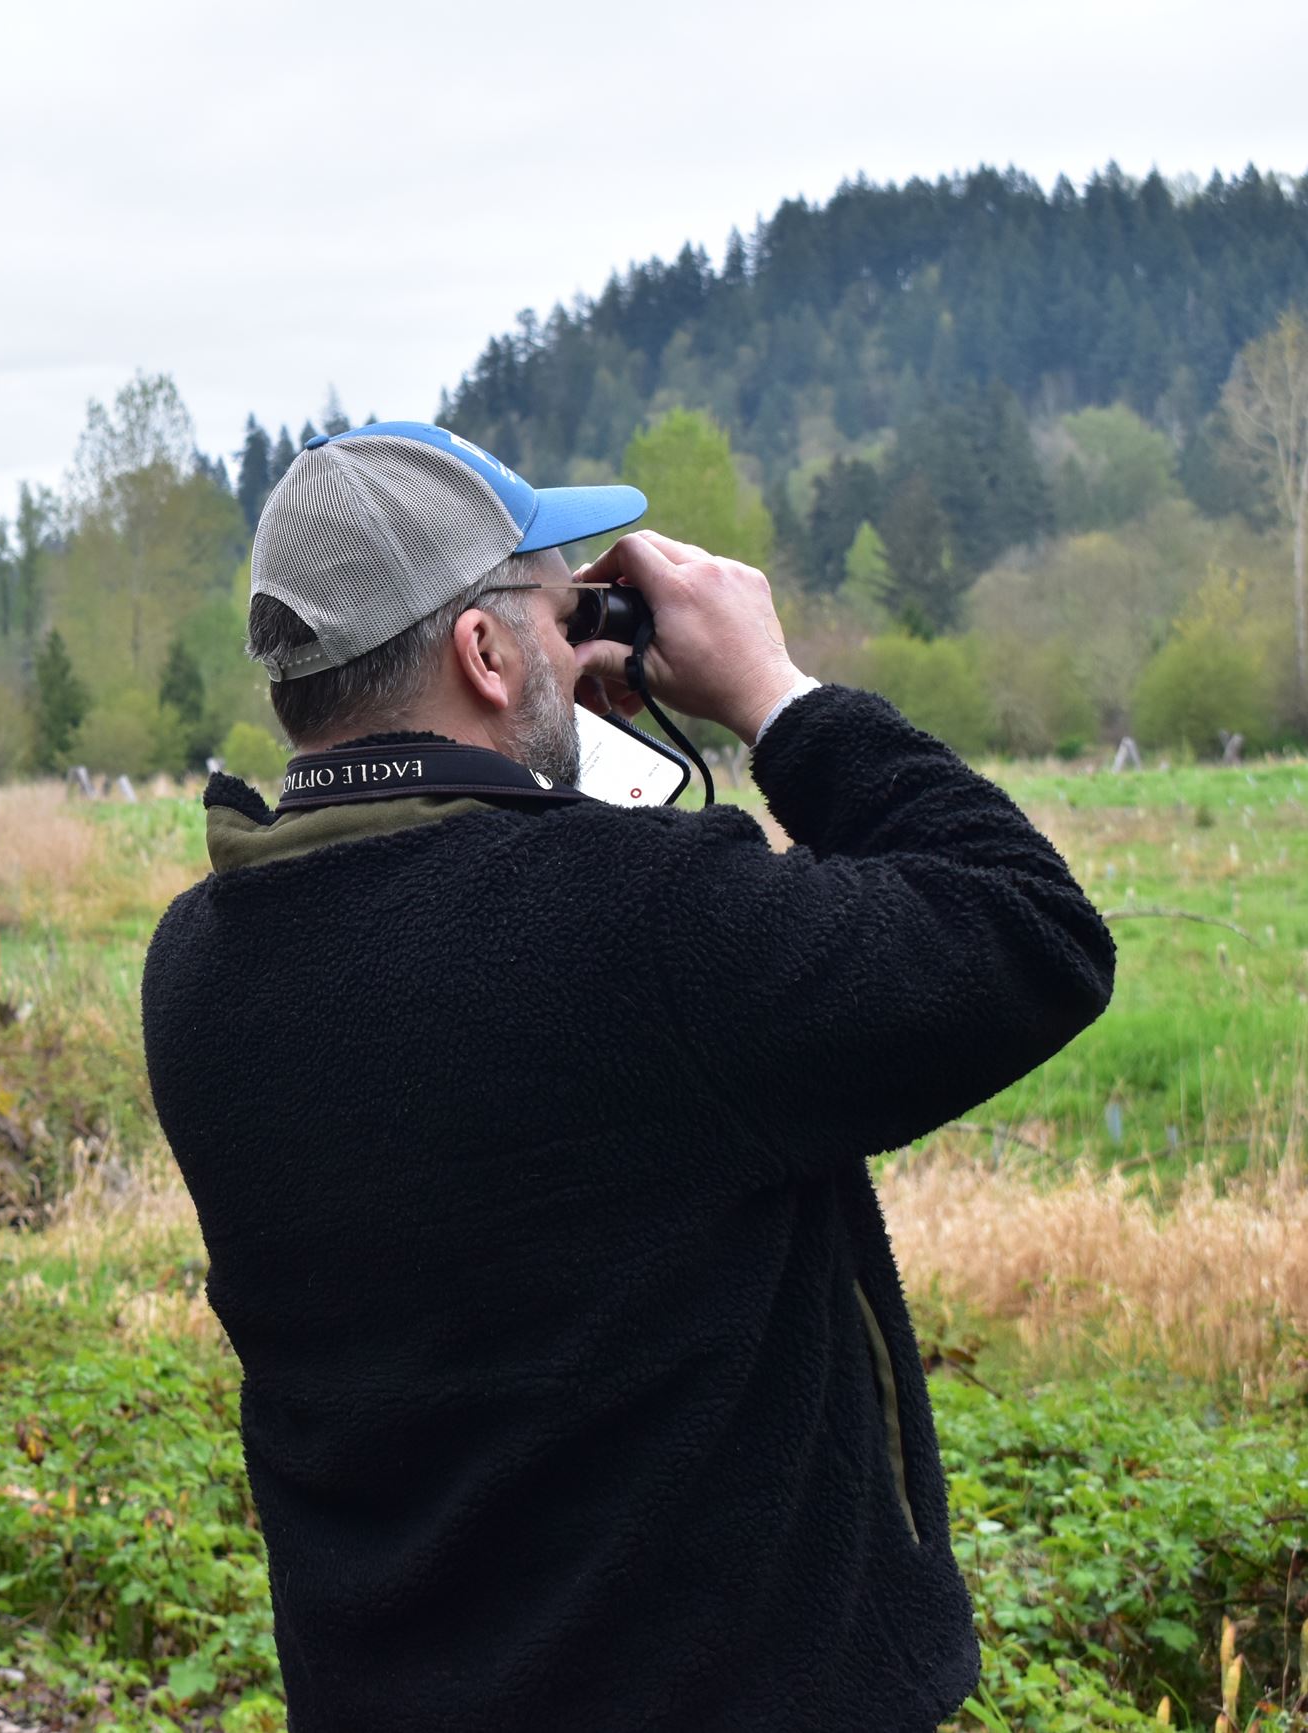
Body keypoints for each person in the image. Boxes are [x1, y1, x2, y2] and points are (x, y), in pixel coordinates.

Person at [140, 424, 1115, 1730]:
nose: (581, 642)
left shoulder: (199, 963)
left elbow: (483, 960)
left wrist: (540, 751)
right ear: (484, 652)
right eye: (561, 617)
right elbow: (1030, 935)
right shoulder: (640, 928)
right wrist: (776, 696)